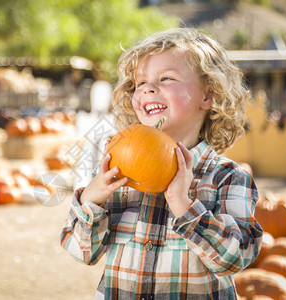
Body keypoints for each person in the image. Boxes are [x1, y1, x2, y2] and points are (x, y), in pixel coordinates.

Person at [60, 27, 263, 299]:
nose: (148, 89)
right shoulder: (117, 172)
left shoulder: (227, 177)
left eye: (166, 78)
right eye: (139, 83)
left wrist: (183, 205)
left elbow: (235, 257)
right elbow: (81, 252)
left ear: (208, 95)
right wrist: (91, 200)